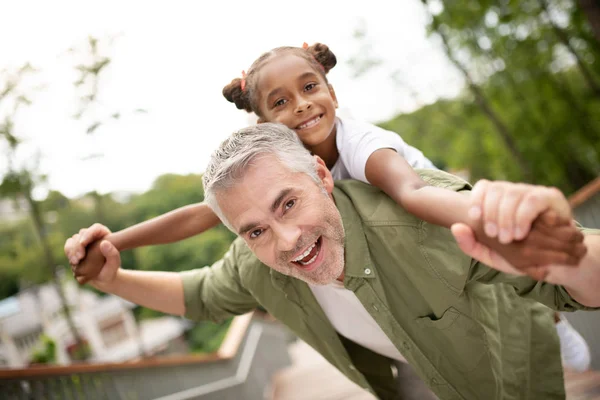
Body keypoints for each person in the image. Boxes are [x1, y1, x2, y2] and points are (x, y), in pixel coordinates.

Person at [71, 42, 591, 372]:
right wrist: (115, 242)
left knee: (508, 287)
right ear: (262, 123)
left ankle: (552, 321)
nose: (300, 106)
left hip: (442, 211)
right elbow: (199, 216)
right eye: (279, 103)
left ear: (332, 91)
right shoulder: (268, 173)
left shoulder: (364, 147)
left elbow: (412, 195)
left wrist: (489, 217)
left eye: (310, 88)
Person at [66, 123, 600, 400]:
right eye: (254, 230)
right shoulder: (258, 262)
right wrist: (113, 278)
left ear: (324, 177)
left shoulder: (427, 217)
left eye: (289, 203)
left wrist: (563, 253)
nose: (287, 240)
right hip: (419, 377)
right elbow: (202, 294)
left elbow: (586, 282)